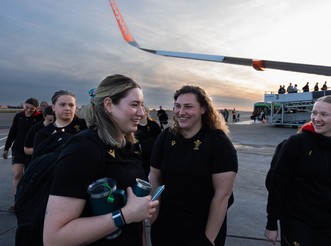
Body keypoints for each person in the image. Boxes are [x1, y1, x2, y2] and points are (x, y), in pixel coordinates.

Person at [43, 74, 159, 245]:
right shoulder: (84, 148)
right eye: (134, 105)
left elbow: (136, 214)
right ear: (109, 104)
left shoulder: (130, 145)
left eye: (142, 105)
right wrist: (125, 215)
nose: (142, 113)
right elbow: (54, 238)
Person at [265, 95, 331, 246]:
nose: (316, 118)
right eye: (314, 113)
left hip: (327, 220)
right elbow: (276, 183)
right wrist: (272, 223)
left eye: (324, 114)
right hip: (296, 221)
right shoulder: (296, 143)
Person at [149, 85, 238, 246]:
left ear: (203, 109)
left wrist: (208, 239)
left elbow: (222, 195)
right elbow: (154, 178)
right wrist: (154, 220)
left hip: (201, 230)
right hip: (166, 228)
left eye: (188, 106)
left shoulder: (218, 142)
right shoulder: (166, 137)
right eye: (177, 106)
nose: (181, 112)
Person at [2, 98, 43, 212]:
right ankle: (17, 200)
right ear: (24, 105)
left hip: (31, 150)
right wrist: (6, 148)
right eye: (26, 107)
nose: (28, 110)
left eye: (31, 109)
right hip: (18, 149)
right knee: (17, 174)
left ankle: (30, 199)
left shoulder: (39, 117)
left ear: (36, 108)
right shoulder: (18, 116)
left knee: (29, 176)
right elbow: (12, 132)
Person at [32, 90, 87, 159]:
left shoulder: (86, 126)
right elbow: (36, 164)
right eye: (62, 105)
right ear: (53, 107)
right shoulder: (43, 134)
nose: (67, 108)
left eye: (71, 105)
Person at [136, 105, 162, 178]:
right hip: (140, 158)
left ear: (147, 112)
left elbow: (160, 139)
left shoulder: (153, 125)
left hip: (153, 156)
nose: (140, 112)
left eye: (142, 110)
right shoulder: (135, 125)